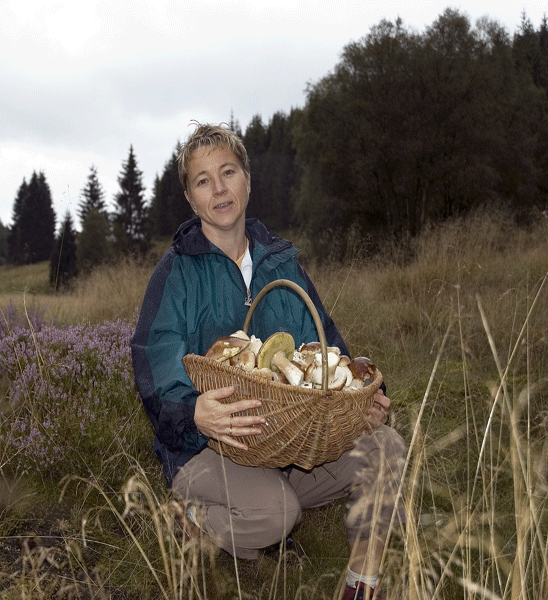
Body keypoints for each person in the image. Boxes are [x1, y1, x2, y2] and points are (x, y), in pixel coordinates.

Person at [131, 123, 406, 600]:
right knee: (275, 516)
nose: (219, 189)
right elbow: (153, 363)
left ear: (248, 180)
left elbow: (328, 346)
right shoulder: (177, 271)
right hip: (208, 446)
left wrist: (358, 400)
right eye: (202, 180)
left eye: (228, 172)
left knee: (386, 450)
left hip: (288, 444)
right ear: (191, 199)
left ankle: (363, 585)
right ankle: (193, 518)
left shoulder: (282, 262)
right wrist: (193, 413)